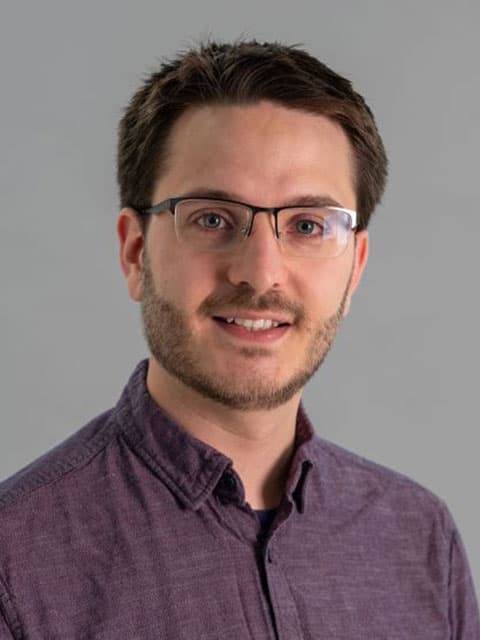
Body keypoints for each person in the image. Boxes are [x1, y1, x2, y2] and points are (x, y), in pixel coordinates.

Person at [0, 40, 478, 639]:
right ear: (135, 251)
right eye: (212, 219)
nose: (260, 272)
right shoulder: (13, 563)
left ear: (354, 269)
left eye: (308, 225)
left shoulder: (421, 539)